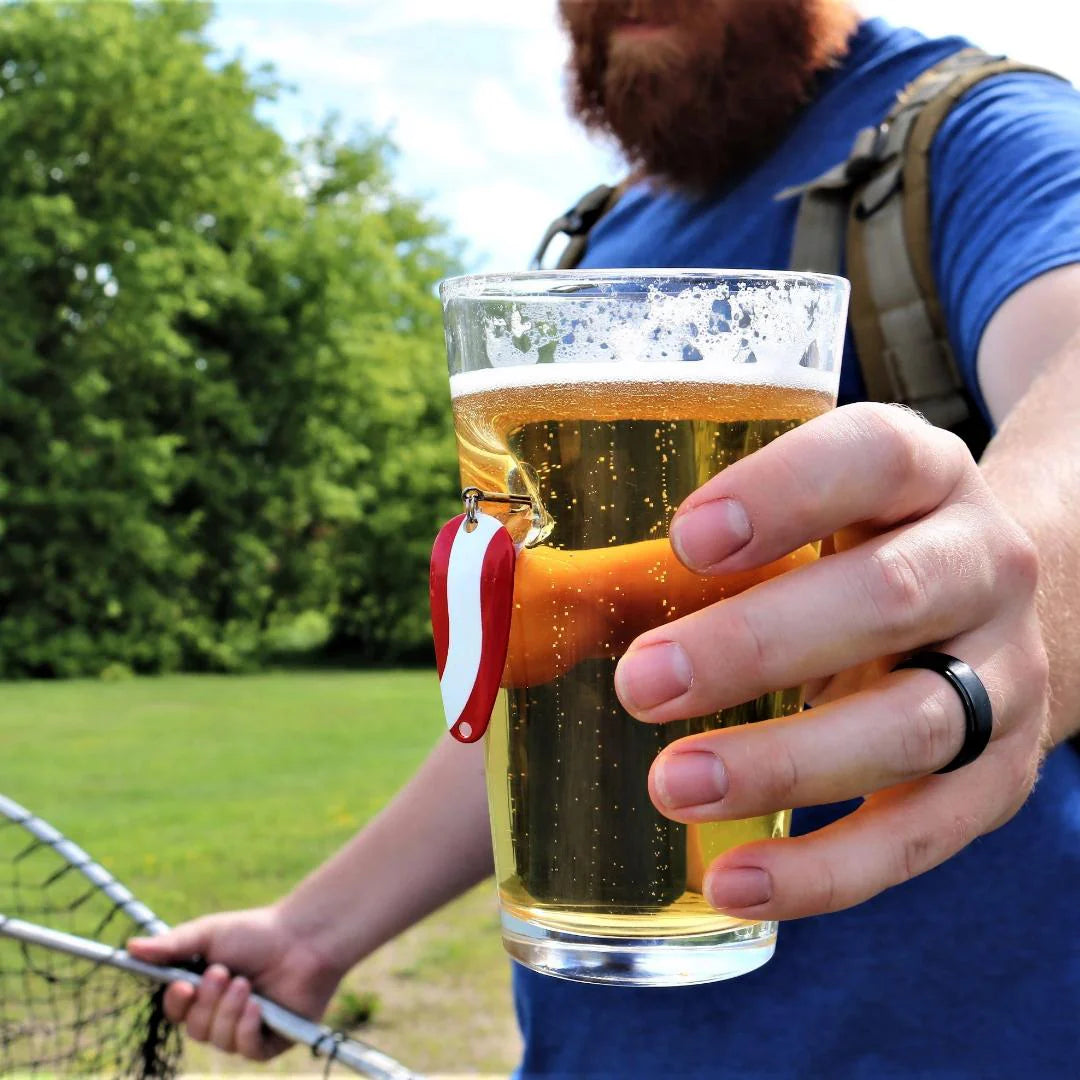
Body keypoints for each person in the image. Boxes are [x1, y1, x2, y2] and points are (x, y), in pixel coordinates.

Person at [129, 2, 1080, 1075]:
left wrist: (1022, 592)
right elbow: (555, 681)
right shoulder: (593, 241)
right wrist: (313, 932)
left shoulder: (981, 134)